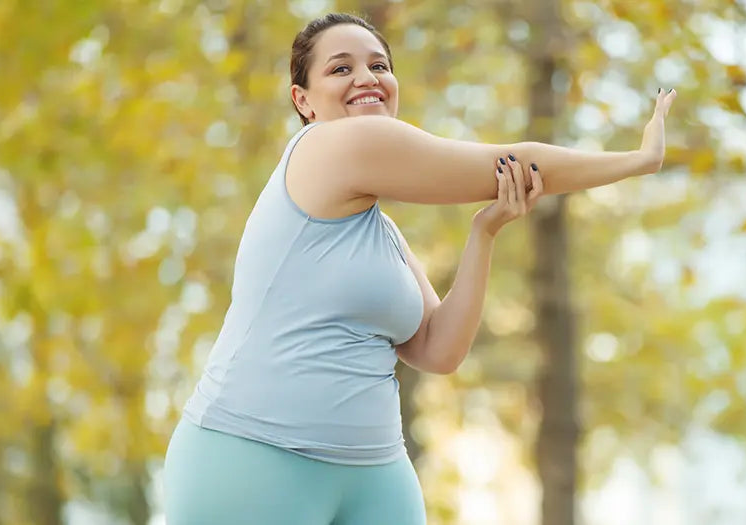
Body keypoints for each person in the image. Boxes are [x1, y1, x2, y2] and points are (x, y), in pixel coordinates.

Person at [162, 12, 677, 525]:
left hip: (374, 473)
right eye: (341, 69)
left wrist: (484, 233)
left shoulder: (383, 235)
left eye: (379, 65)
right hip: (254, 458)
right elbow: (507, 161)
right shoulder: (332, 146)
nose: (367, 78)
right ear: (303, 101)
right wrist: (635, 160)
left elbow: (437, 349)